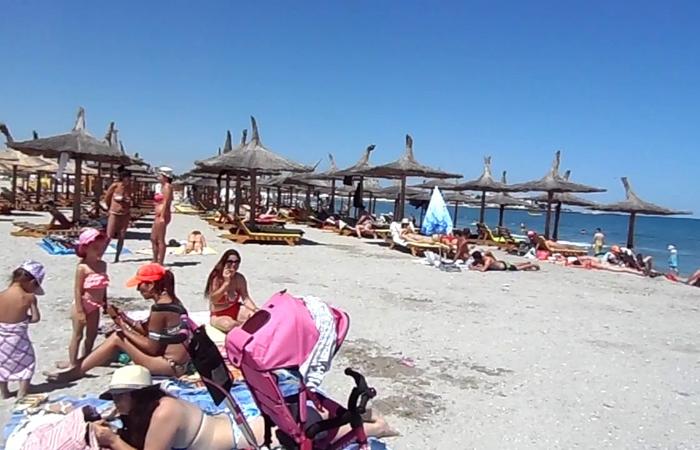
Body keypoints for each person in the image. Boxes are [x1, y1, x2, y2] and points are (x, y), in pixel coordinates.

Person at [91, 365, 398, 450]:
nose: (115, 403)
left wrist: (113, 440)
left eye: (119, 396)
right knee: (310, 423)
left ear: (139, 396)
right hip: (241, 426)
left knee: (314, 435)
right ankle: (361, 417)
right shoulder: (150, 408)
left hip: (243, 437)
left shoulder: (164, 412)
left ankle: (373, 426)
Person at [46, 263, 190, 382]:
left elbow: (151, 348)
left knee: (117, 337)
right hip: (176, 363)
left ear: (151, 284)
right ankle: (79, 365)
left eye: (140, 284)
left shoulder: (161, 309)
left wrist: (121, 327)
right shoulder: (172, 302)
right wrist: (122, 317)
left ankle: (76, 371)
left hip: (168, 366)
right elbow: (147, 330)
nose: (138, 289)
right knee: (119, 335)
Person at [58, 228, 109, 370]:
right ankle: (72, 362)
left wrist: (105, 302)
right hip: (83, 303)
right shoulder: (82, 267)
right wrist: (80, 311)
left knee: (91, 335)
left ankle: (84, 360)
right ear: (85, 248)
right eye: (95, 248)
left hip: (96, 304)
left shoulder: (102, 265)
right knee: (77, 335)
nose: (99, 251)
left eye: (101, 247)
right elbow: (77, 290)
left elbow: (103, 286)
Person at [0, 261, 43, 398]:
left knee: (2, 364)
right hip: (18, 338)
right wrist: (25, 319)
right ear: (32, 282)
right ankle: (22, 392)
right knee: (27, 362)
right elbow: (35, 318)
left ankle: (4, 392)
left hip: (1, 337)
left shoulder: (2, 294)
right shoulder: (28, 297)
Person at [204, 250, 258, 333]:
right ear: (224, 262)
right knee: (229, 325)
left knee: (255, 318)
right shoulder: (216, 277)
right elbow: (214, 299)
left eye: (236, 262)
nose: (233, 264)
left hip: (236, 308)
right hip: (218, 314)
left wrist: (255, 309)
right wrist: (226, 283)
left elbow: (246, 298)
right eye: (230, 262)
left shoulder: (239, 278)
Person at [104, 167, 132, 263]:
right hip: (114, 212)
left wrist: (127, 201)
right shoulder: (115, 186)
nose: (128, 180)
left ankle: (117, 257)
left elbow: (130, 198)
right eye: (127, 178)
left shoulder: (129, 187)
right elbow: (107, 198)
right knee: (109, 235)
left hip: (125, 213)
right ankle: (100, 255)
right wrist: (110, 207)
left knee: (122, 235)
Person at [151, 168, 173, 265]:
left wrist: (162, 216)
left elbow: (166, 202)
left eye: (160, 175)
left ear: (165, 177)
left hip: (163, 215)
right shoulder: (162, 187)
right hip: (158, 214)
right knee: (153, 238)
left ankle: (160, 262)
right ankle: (155, 259)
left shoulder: (167, 187)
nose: (158, 177)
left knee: (160, 239)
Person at [469, 250, 540, 272]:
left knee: (517, 268)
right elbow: (488, 252)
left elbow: (483, 269)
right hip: (501, 263)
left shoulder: (487, 260)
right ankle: (526, 263)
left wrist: (474, 268)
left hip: (504, 267)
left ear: (478, 258)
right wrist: (473, 265)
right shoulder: (483, 258)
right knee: (514, 264)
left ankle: (532, 265)